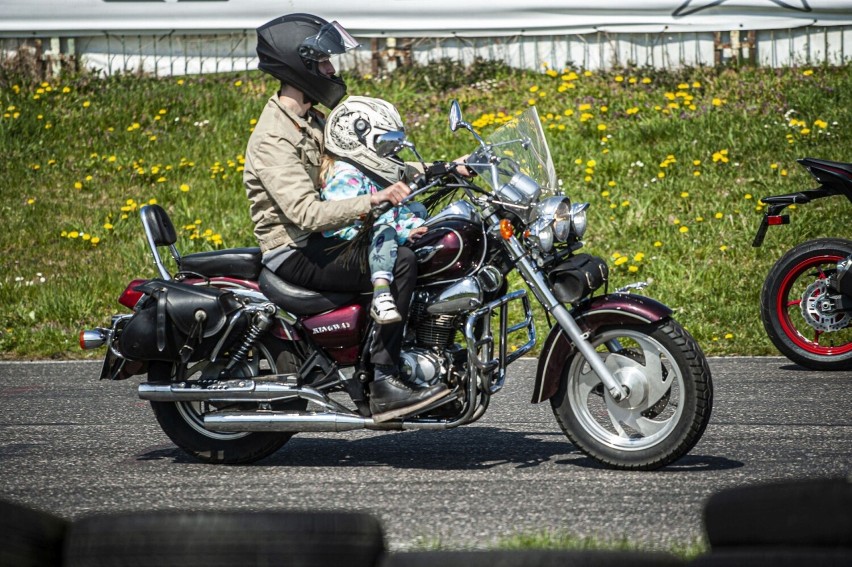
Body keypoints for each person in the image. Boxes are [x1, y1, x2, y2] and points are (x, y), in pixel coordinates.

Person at [243, 13, 451, 422]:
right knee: (402, 260)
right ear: (296, 64)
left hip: (326, 238)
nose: (331, 70)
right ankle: (384, 379)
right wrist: (375, 202)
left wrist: (443, 169)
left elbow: (367, 166)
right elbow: (305, 214)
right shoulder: (273, 137)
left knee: (421, 247)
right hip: (295, 250)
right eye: (322, 62)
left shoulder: (312, 119)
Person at [320, 96, 429, 325]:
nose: (389, 149)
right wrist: (403, 233)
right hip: (351, 239)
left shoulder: (371, 172)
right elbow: (347, 218)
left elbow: (393, 212)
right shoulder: (346, 175)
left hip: (375, 229)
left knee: (417, 209)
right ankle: (381, 294)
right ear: (353, 137)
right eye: (383, 141)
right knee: (387, 232)